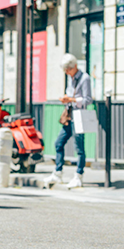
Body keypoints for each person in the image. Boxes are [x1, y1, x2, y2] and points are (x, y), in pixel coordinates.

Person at [44, 53, 92, 189]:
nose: (67, 72)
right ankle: (58, 172)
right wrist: (66, 99)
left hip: (78, 116)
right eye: (65, 70)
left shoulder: (84, 78)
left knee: (79, 148)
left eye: (68, 69)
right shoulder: (71, 79)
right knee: (59, 143)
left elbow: (88, 99)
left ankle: (79, 175)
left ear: (75, 66)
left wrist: (71, 99)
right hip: (69, 116)